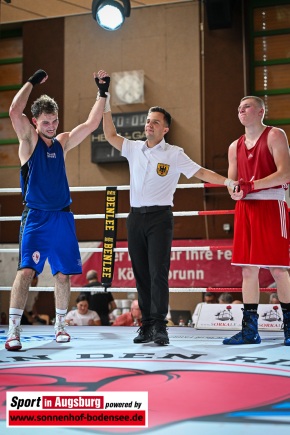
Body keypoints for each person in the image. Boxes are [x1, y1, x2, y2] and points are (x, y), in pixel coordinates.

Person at [97, 70, 236, 346]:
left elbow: (202, 172)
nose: (149, 125)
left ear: (165, 129)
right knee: (141, 274)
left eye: (155, 122)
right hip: (135, 218)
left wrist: (228, 182)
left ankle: (160, 326)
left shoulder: (174, 154)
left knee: (158, 273)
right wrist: (105, 97)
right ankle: (146, 325)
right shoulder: (134, 148)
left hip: (160, 218)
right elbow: (109, 133)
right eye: (148, 121)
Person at [5, 68, 110, 351]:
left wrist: (102, 92)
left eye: (54, 121)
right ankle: (14, 331)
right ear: (36, 122)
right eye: (46, 122)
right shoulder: (29, 141)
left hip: (62, 216)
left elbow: (90, 124)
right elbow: (15, 110)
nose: (51, 126)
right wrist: (31, 82)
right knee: (26, 272)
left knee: (63, 274)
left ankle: (61, 325)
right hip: (36, 217)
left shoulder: (62, 142)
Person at [223, 95, 290, 346]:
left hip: (272, 205)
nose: (241, 109)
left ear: (261, 111)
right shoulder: (234, 146)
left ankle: (289, 328)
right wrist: (236, 190)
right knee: (248, 269)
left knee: (278, 269)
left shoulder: (275, 135)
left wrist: (250, 186)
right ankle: (250, 331)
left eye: (247, 106)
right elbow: (232, 183)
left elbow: (286, 173)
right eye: (239, 106)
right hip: (246, 209)